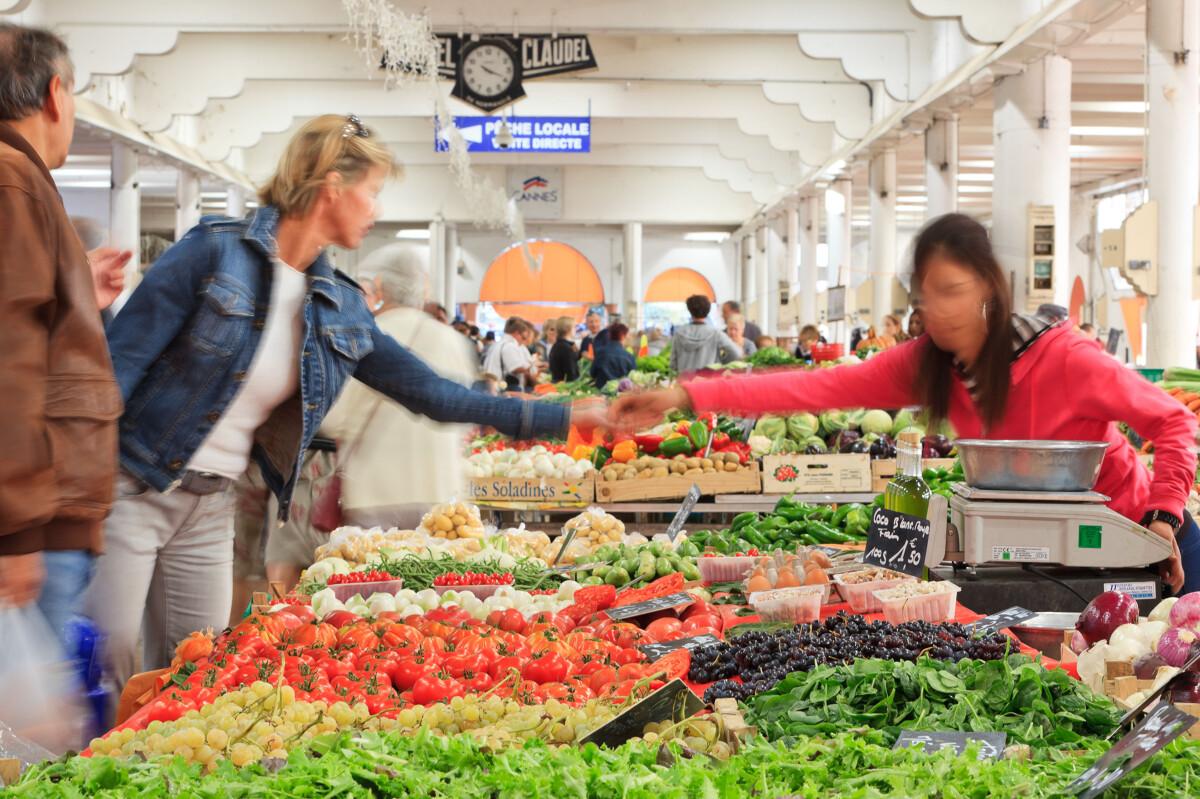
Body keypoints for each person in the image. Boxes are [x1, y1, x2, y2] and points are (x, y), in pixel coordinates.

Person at [86, 114, 601, 689]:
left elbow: (434, 395)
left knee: (193, 673)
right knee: (106, 664)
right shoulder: (212, 252)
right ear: (331, 185)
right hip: (132, 485)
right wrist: (76, 488)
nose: (376, 208)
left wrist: (561, 417)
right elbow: (117, 366)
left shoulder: (338, 305)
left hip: (211, 507)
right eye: (373, 191)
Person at [613, 213, 1199, 594]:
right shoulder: (927, 364)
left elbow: (1174, 422)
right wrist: (684, 394)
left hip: (1137, 540)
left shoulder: (1066, 358)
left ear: (990, 288)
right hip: (1044, 557)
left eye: (953, 291)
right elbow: (808, 389)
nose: (938, 310)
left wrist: (1165, 516)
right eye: (927, 295)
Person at [0, 24, 132, 635]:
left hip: (36, 519)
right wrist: (17, 533)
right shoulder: (14, 180)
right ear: (56, 93)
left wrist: (74, 284)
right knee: (23, 727)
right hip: (35, 526)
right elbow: (9, 359)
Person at [319, 244, 477, 536]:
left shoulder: (362, 337)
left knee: (375, 580)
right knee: (437, 579)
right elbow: (465, 414)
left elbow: (333, 420)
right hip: (440, 496)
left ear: (378, 286)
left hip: (374, 494)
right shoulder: (450, 340)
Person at [669, 295, 743, 374]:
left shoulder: (679, 333)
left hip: (684, 381)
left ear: (689, 310)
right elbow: (737, 353)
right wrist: (721, 360)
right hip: (707, 382)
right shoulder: (716, 334)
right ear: (708, 310)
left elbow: (673, 364)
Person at [482, 317, 538, 391]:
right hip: (501, 388)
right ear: (517, 333)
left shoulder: (500, 343)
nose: (523, 341)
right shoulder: (510, 345)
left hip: (494, 386)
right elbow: (515, 368)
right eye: (523, 337)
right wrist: (531, 366)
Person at [590, 323, 637, 388]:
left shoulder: (600, 353)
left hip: (601, 393)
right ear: (622, 336)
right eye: (627, 335)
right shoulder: (629, 356)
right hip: (621, 394)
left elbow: (593, 373)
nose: (628, 337)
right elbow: (633, 378)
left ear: (609, 335)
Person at [549, 316, 580, 382]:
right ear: (567, 329)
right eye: (574, 327)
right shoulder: (566, 348)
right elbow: (571, 372)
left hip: (557, 382)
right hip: (565, 386)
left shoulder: (557, 345)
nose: (576, 329)